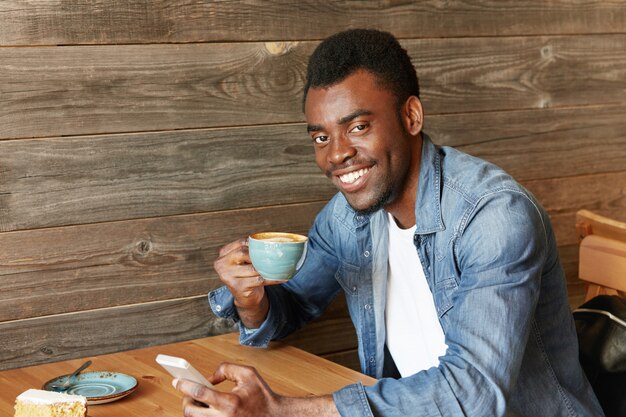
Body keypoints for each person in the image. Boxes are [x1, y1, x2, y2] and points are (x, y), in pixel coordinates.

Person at [173, 29, 604, 417]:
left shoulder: (492, 216)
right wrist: (251, 300)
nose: (336, 154)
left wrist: (286, 411)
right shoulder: (349, 216)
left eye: (357, 126)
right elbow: (293, 306)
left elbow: (474, 394)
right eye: (321, 137)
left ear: (411, 117)